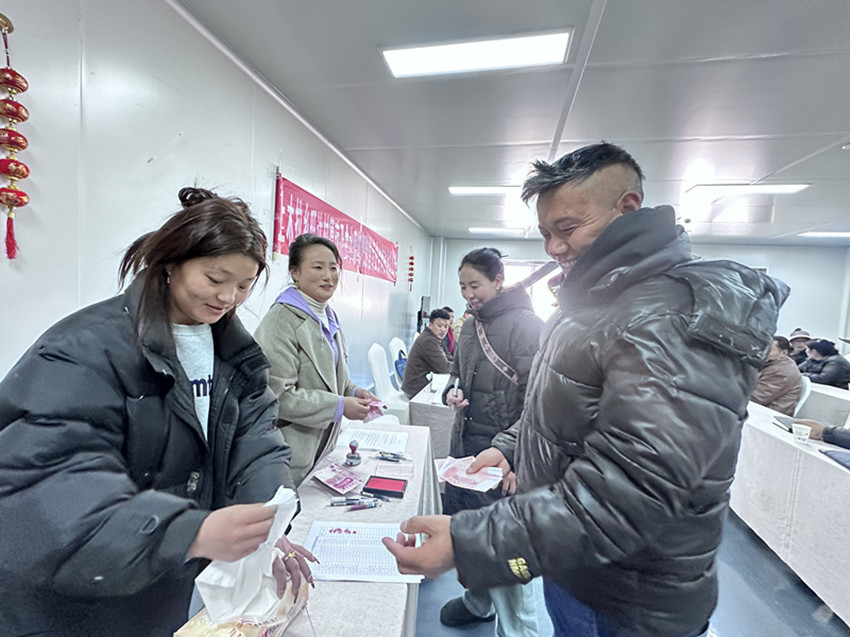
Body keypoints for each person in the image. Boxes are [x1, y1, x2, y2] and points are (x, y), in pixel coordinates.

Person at [383, 142, 787, 637]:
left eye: (568, 228)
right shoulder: (597, 302)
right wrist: (512, 447)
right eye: (545, 234)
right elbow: (567, 408)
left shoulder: (669, 317)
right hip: (577, 562)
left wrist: (473, 543)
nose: (554, 248)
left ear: (627, 208)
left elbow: (634, 491)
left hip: (629, 596)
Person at [0, 188, 315, 637]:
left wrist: (264, 527)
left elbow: (257, 443)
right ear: (170, 264)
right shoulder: (84, 350)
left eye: (244, 285)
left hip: (159, 586)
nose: (228, 297)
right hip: (69, 601)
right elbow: (52, 483)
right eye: (215, 278)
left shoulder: (233, 355)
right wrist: (188, 532)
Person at [439, 247, 544, 635]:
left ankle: (520, 631)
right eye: (463, 287)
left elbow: (539, 404)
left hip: (506, 457)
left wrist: (516, 460)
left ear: (499, 281)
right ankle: (479, 602)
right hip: (468, 453)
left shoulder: (527, 326)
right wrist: (451, 393)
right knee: (473, 537)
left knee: (510, 551)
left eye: (476, 285)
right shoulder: (469, 326)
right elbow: (456, 373)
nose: (469, 294)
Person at [254, 233, 377, 485]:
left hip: (322, 448)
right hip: (289, 453)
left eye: (333, 267)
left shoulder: (327, 316)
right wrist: (339, 406)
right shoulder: (280, 321)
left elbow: (332, 377)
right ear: (295, 273)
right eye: (317, 267)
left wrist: (354, 391)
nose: (328, 276)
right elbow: (278, 396)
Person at [401, 308, 452, 398]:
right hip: (415, 391)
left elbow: (445, 357)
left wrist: (461, 360)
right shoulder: (428, 341)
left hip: (420, 386)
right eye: (439, 325)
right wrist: (464, 367)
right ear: (430, 325)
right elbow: (444, 367)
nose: (443, 330)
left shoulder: (432, 337)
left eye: (446, 326)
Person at [750, 336, 804, 415]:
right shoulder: (771, 362)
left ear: (783, 353)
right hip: (757, 408)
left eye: (768, 350)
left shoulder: (783, 371)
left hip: (768, 413)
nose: (762, 352)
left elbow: (758, 397)